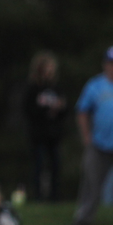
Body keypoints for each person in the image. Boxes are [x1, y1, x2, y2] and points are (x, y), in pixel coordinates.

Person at [70, 46, 113, 225]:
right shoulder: (95, 85)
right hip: (100, 145)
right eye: (110, 63)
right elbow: (82, 111)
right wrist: (87, 137)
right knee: (90, 183)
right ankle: (83, 219)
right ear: (104, 65)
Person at [20, 51, 69, 202]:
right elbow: (28, 110)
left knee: (55, 166)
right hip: (38, 135)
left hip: (54, 135)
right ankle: (38, 197)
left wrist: (60, 108)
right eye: (47, 67)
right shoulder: (32, 89)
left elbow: (65, 109)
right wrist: (47, 108)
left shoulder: (56, 88)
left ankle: (54, 197)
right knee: (39, 166)